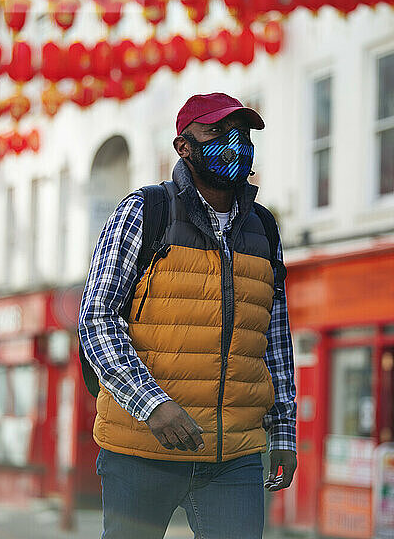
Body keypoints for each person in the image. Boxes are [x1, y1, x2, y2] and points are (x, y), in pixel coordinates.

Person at [78, 92, 297, 539]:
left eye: (241, 134)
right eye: (215, 132)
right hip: (142, 448)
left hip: (232, 457)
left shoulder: (264, 229)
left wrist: (284, 433)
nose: (232, 144)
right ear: (183, 147)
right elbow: (97, 319)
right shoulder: (144, 211)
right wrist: (152, 406)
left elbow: (273, 339)